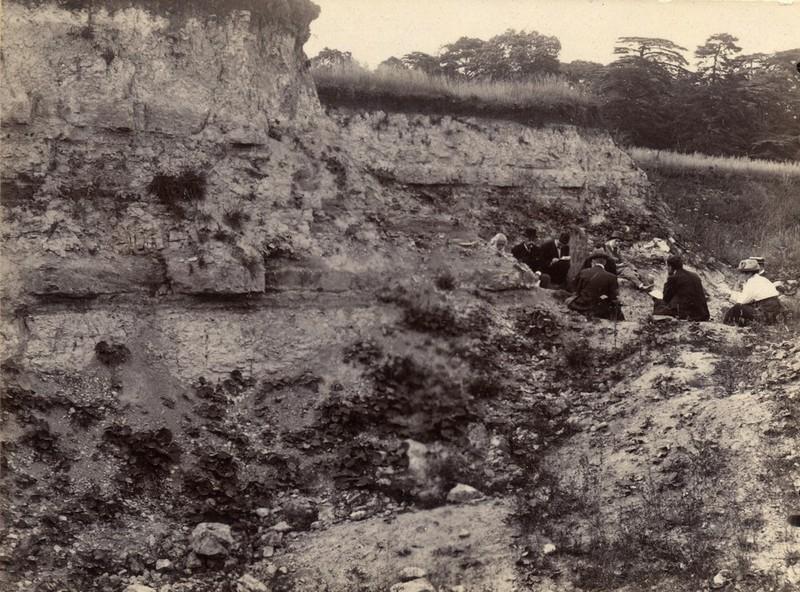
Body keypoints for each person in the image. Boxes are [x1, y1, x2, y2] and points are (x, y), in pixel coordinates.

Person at [723, 258, 783, 326]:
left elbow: (742, 301)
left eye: (743, 273)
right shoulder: (761, 279)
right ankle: (736, 323)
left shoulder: (752, 282)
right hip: (772, 313)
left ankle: (728, 324)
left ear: (749, 273)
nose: (741, 275)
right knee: (744, 306)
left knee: (738, 307)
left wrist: (735, 290)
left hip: (765, 315)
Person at [651, 255, 710, 321]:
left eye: (668, 266)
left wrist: (667, 280)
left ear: (670, 267)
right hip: (703, 314)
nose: (667, 268)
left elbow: (666, 298)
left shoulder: (673, 278)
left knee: (658, 302)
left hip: (687, 314)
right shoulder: (695, 275)